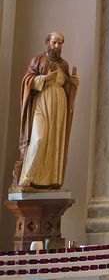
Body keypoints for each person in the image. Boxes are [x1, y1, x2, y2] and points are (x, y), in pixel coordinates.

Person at [13, 32, 79, 190]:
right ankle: (27, 177)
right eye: (54, 42)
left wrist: (73, 83)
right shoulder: (38, 60)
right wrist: (44, 79)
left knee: (54, 140)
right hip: (42, 101)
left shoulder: (64, 64)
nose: (57, 46)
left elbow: (66, 85)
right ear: (47, 42)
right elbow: (27, 80)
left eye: (60, 43)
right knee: (39, 137)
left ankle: (50, 180)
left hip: (59, 104)